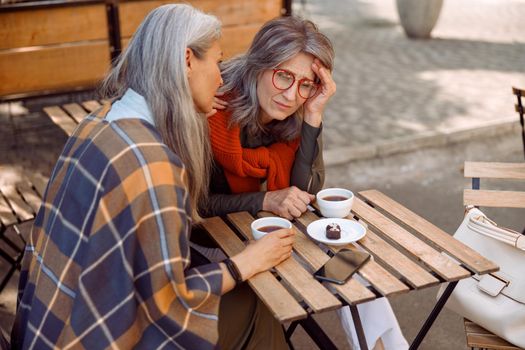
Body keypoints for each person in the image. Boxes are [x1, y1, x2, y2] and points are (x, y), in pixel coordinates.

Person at [10, 5, 293, 349]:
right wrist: (246, 262)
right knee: (253, 304)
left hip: (46, 322)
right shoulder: (153, 163)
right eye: (217, 62)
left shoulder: (99, 122)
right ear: (187, 60)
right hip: (92, 336)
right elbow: (170, 303)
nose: (221, 78)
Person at [197, 16, 409, 350]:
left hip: (263, 231)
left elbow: (307, 190)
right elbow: (195, 205)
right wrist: (264, 200)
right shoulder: (212, 108)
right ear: (259, 65)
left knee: (353, 267)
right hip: (213, 245)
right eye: (284, 76)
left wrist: (313, 117)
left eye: (306, 84)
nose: (291, 94)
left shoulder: (299, 111)